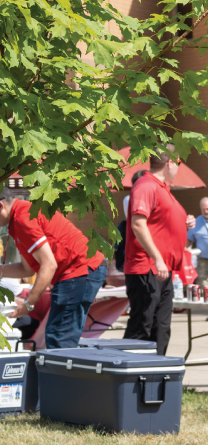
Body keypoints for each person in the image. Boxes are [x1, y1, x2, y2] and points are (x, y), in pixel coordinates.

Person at [0, 187, 108, 349]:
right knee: (59, 336)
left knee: (59, 338)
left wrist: (29, 304)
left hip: (79, 270)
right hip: (81, 270)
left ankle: (64, 374)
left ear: (1, 206)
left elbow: (49, 265)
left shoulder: (23, 218)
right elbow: (27, 269)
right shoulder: (20, 216)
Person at [124, 149, 196, 355]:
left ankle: (156, 378)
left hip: (162, 270)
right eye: (179, 164)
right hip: (147, 267)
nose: (178, 169)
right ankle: (126, 380)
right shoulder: (146, 186)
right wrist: (158, 259)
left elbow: (160, 222)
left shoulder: (163, 189)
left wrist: (185, 221)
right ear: (170, 163)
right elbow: (138, 224)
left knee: (161, 328)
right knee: (142, 326)